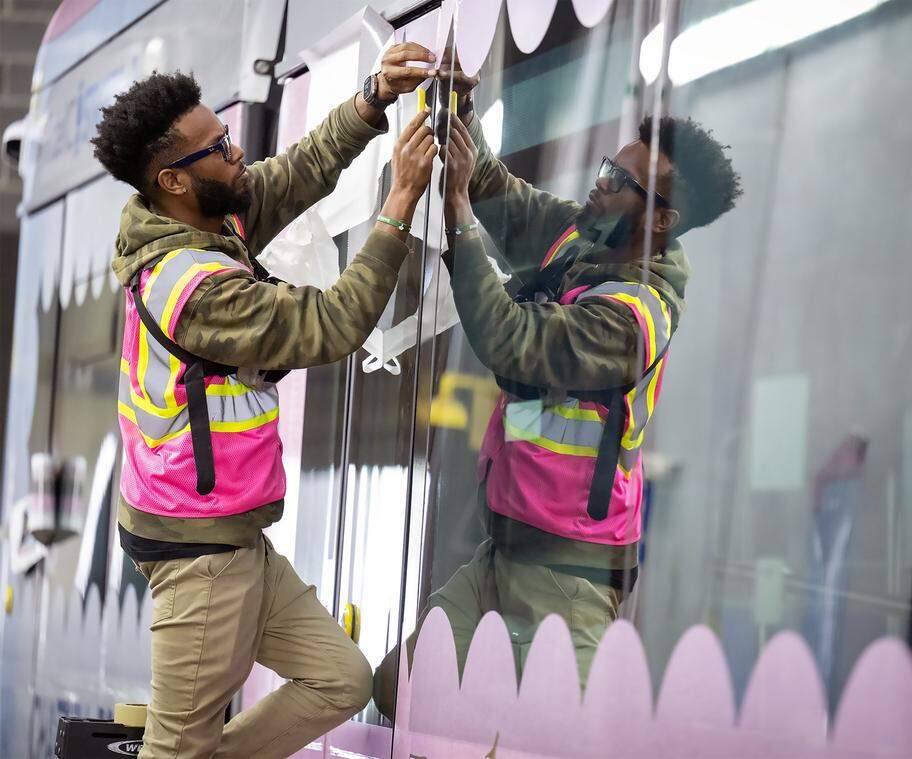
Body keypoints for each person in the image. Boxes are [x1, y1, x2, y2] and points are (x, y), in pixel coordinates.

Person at [91, 43, 439, 758]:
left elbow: (299, 172)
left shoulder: (209, 219)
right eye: (217, 148)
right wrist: (399, 202)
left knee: (340, 678)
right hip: (201, 556)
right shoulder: (195, 289)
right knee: (176, 746)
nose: (237, 150)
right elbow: (333, 323)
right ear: (173, 181)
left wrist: (372, 97)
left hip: (235, 537)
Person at [374, 65, 741, 715]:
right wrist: (458, 109)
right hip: (504, 549)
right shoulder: (586, 235)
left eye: (617, 183)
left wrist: (456, 219)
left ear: (661, 220)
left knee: (548, 734)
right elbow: (501, 199)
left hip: (571, 580)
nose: (597, 188)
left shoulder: (635, 316)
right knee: (399, 689)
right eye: (606, 169)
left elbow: (513, 340)